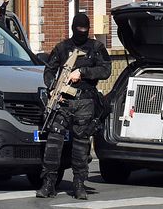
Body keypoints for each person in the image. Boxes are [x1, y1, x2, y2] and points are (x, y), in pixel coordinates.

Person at [36, 13, 112, 199]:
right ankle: (49, 183)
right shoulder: (62, 48)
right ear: (72, 28)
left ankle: (79, 184)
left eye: (85, 30)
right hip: (63, 101)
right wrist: (54, 86)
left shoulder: (96, 48)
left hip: (85, 101)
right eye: (79, 30)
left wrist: (83, 72)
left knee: (81, 145)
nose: (82, 33)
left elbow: (106, 70)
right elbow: (49, 71)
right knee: (53, 143)